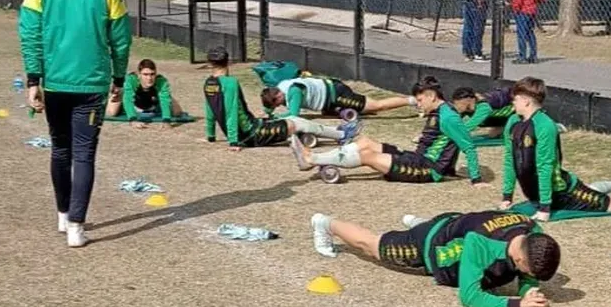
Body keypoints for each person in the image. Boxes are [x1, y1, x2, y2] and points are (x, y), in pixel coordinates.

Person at [18, 0, 132, 247]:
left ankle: (62, 215)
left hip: (54, 84)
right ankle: (76, 228)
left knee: (60, 148)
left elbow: (30, 35)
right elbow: (121, 41)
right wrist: (120, 79)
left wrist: (33, 80)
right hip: (91, 85)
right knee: (83, 155)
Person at [309, 208, 561, 307]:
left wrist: (531, 292)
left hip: (456, 225)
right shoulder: (480, 243)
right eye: (528, 270)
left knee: (447, 232)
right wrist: (517, 305)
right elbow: (470, 297)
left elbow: (528, 275)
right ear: (518, 257)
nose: (530, 276)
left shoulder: (533, 230)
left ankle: (419, 222)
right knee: (374, 246)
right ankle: (326, 223)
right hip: (431, 244)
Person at [501, 77, 611, 221]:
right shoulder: (513, 122)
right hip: (536, 195)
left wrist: (545, 208)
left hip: (562, 192)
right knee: (590, 191)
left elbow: (545, 167)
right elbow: (510, 159)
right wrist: (507, 196)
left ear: (526, 101)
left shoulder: (545, 126)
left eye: (515, 99)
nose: (512, 102)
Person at [293, 76, 483, 184]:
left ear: (431, 96)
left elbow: (468, 146)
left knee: (367, 155)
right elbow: (447, 144)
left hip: (426, 169)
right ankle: (314, 157)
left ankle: (312, 159)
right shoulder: (441, 111)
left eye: (419, 100)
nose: (418, 104)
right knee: (365, 142)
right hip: (417, 158)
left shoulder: (448, 116)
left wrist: (476, 179)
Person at [204, 47, 353, 150]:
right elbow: (231, 112)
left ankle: (338, 132)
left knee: (283, 121)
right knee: (294, 123)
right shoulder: (230, 83)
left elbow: (210, 110)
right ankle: (341, 134)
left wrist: (210, 135)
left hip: (251, 127)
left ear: (209, 63)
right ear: (228, 62)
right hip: (251, 134)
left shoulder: (208, 83)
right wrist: (233, 142)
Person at [259, 74, 412, 119]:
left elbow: (294, 114)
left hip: (336, 95)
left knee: (378, 105)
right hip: (327, 102)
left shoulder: (293, 91)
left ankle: (412, 101)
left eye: (277, 103)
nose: (280, 105)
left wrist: (274, 118)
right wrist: (268, 112)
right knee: (333, 114)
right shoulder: (281, 86)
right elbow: (272, 106)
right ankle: (361, 111)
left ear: (278, 95)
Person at [106, 58, 184, 124]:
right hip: (134, 102)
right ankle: (115, 96)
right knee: (112, 112)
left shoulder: (161, 81)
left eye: (152, 74)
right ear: (139, 74)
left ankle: (168, 95)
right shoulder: (131, 80)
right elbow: (128, 99)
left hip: (152, 103)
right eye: (145, 74)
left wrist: (166, 120)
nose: (149, 78)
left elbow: (164, 101)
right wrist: (133, 119)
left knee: (177, 112)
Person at [511, 0, 546, 64]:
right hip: (532, 10)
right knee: (530, 33)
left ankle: (522, 56)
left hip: (523, 10)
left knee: (521, 34)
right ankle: (533, 55)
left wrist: (515, 7)